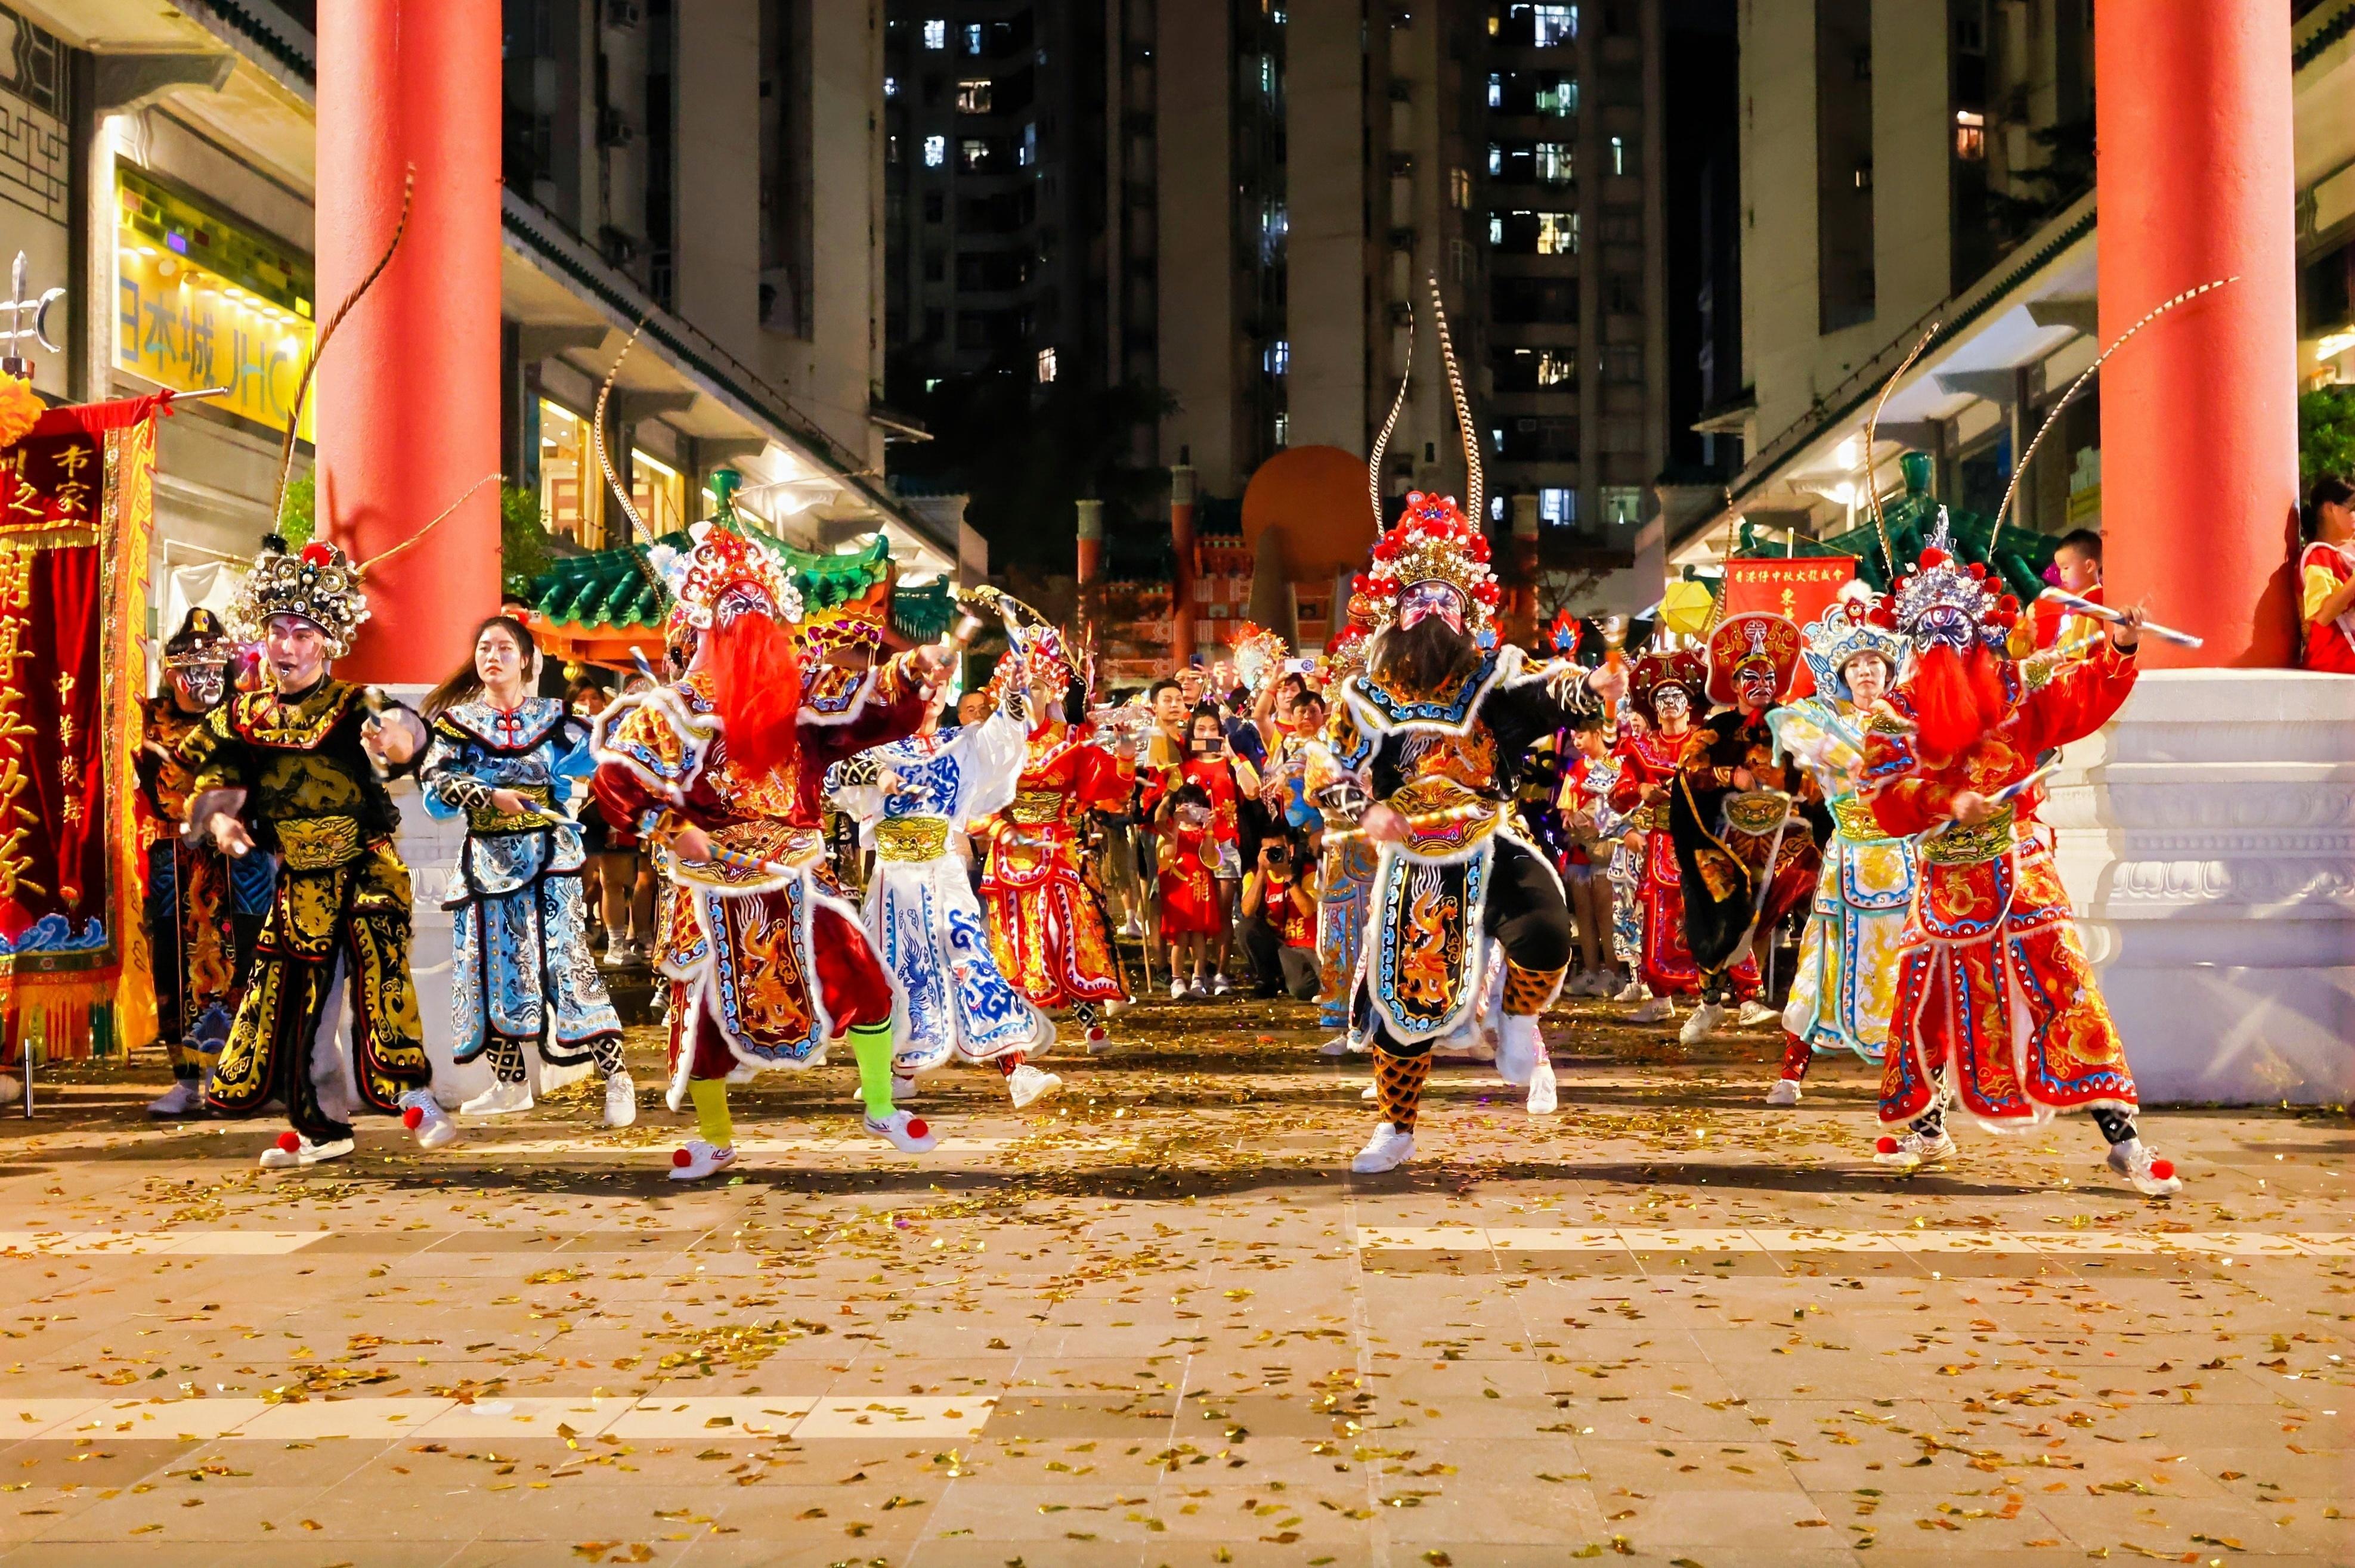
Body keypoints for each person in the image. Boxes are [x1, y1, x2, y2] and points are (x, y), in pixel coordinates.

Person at [592, 488, 949, 1180]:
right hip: (711, 881)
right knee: (704, 1019)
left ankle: (881, 1104)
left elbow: (872, 707)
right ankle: (715, 1137)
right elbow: (616, 780)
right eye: (740, 623)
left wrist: (912, 670)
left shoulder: (802, 694)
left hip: (797, 870)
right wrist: (670, 826)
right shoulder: (676, 708)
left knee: (862, 975)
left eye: (763, 623)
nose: (755, 639)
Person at [1859, 511, 2181, 1196]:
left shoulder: (2014, 684)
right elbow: (1882, 790)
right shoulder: (1895, 710)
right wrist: (1946, 800)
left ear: (1979, 632)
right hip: (1945, 874)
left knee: (2068, 982)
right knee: (1927, 998)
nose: (1946, 650)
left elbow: (2081, 696)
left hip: (2019, 859)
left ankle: (2123, 1139)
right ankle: (1927, 1125)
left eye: (1957, 634)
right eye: (1932, 638)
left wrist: (2120, 644)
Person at [1307, 473, 1624, 1170]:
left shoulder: (1493, 675)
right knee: (1405, 1001)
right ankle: (1396, 1128)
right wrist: (1366, 809)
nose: (1430, 610)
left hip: (1489, 833)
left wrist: (1591, 686)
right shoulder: (1365, 694)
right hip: (1414, 854)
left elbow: (1547, 689)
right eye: (1416, 599)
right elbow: (1326, 765)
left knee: (1547, 932)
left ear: (1465, 612)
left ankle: (1517, 1016)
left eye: (1444, 599)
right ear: (1395, 612)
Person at [177, 537, 460, 1167]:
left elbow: (408, 735)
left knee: (381, 980)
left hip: (364, 865)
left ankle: (416, 1096)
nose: (287, 646)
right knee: (301, 1009)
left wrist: (398, 741)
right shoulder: (244, 715)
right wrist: (221, 822)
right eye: (277, 632)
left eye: (302, 634)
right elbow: (214, 779)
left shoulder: (353, 703)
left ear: (326, 643)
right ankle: (323, 1127)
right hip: (298, 878)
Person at [418, 615, 630, 1126]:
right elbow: (434, 781)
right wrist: (488, 796)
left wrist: (591, 767)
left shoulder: (556, 718)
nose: (492, 656)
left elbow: (603, 755)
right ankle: (510, 1084)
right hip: (484, 862)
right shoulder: (458, 723)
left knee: (567, 964)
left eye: (505, 648)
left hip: (549, 860)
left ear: (527, 661)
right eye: (484, 648)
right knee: (489, 968)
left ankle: (617, 1077)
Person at [831, 640, 1060, 1109]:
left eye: (938, 686)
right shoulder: (874, 746)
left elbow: (1004, 736)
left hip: (944, 871)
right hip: (894, 878)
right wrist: (878, 775)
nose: (931, 693)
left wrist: (1015, 695)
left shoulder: (962, 743)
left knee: (969, 954)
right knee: (897, 970)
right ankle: (899, 1071)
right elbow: (834, 771)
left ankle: (1016, 1069)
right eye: (921, 683)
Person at [1762, 594, 1915, 1104]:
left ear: (1889, 671)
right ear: (1842, 674)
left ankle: (1916, 1078)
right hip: (1847, 856)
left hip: (1903, 858)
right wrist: (1847, 756)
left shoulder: (1910, 719)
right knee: (1820, 963)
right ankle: (1790, 1074)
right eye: (1855, 664)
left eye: (1874, 662)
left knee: (1908, 967)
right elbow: (1788, 724)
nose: (1866, 671)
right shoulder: (1823, 716)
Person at [138, 609, 273, 1117]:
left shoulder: (244, 716)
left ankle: (246, 1076)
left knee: (252, 956)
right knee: (174, 963)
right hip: (176, 856)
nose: (207, 680)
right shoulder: (149, 719)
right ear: (173, 675)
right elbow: (158, 789)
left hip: (241, 858)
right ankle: (185, 1079)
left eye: (215, 670)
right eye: (195, 671)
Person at [977, 624, 1137, 1045]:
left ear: (1053, 692)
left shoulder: (1071, 740)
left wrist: (1124, 755)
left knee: (1060, 930)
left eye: (1037, 686)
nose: (1029, 694)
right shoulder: (995, 743)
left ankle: (1088, 1019)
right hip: (1009, 849)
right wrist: (1000, 829)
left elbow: (1108, 787)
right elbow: (977, 802)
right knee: (1015, 938)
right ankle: (1023, 1023)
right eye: (1021, 686)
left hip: (1057, 846)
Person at [1667, 611, 1821, 1046]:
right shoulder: (1715, 730)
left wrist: (1795, 783)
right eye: (1750, 676)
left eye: (1769, 676)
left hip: (1787, 836)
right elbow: (1686, 772)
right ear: (1734, 685)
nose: (1761, 684)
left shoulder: (1792, 726)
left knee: (1818, 890)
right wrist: (1728, 775)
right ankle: (1710, 1002)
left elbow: (1818, 775)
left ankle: (1820, 997)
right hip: (1727, 839)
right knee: (1720, 910)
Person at [1609, 649, 1743, 1022]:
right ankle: (1660, 997)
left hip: (1704, 838)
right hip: (1661, 842)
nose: (1669, 703)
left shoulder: (1707, 742)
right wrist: (1640, 790)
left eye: (1677, 696)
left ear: (1689, 704)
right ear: (1652, 707)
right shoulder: (1640, 748)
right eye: (1662, 697)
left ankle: (1722, 996)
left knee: (1713, 912)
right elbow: (1618, 793)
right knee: (1658, 916)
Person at [1555, 717, 1625, 999]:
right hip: (1578, 851)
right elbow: (1565, 805)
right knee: (1584, 914)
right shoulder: (1575, 769)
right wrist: (1569, 818)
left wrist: (1596, 822)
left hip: (1605, 850)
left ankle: (1615, 974)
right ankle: (1592, 971)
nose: (1576, 741)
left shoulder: (1615, 765)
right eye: (1573, 736)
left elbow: (1621, 805)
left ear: (1598, 734)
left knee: (1606, 915)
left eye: (1581, 736)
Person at [1153, 780, 1225, 995]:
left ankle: (1198, 980)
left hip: (1201, 890)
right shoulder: (1169, 830)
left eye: (1197, 805)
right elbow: (1167, 855)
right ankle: (1177, 980)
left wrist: (1209, 828)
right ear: (1177, 806)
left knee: (1199, 936)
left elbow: (1211, 858)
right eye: (1186, 805)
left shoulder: (1204, 832)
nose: (1191, 810)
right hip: (1178, 891)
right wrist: (1176, 824)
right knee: (1181, 936)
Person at [1238, 831, 1320, 1000]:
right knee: (1244, 928)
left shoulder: (1307, 872)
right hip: (1274, 944)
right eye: (1267, 851)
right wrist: (1261, 873)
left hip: (1301, 945)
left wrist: (1287, 876)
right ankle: (1266, 978)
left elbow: (1308, 911)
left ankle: (1286, 979)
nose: (1273, 855)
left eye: (1278, 850)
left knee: (1302, 989)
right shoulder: (1253, 874)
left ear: (1290, 850)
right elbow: (1247, 911)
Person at [2298, 475, 2355, 674]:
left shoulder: (2341, 556)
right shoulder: (2317, 555)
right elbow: (2323, 616)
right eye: (2352, 509)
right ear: (2330, 509)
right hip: (2334, 658)